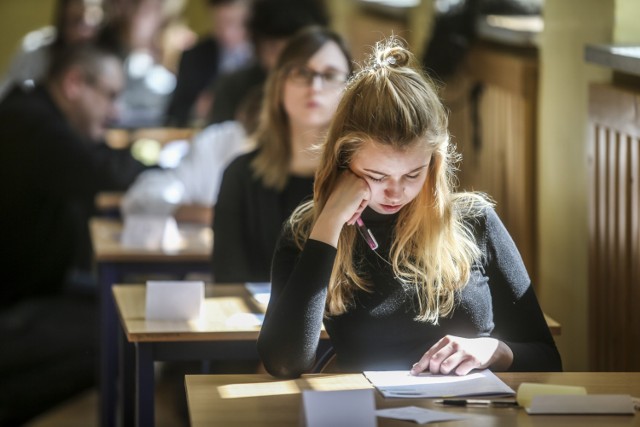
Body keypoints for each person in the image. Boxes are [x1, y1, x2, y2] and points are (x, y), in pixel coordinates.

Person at [257, 38, 562, 378]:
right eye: (376, 175)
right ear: (343, 161)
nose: (395, 192)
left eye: (413, 173)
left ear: (434, 162)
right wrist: (329, 220)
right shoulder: (307, 234)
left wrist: (494, 350)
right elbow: (284, 363)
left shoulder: (475, 222)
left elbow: (548, 359)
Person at [0, 43, 147, 425]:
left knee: (129, 311)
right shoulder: (29, 123)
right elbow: (106, 174)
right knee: (123, 336)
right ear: (74, 84)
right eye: (110, 96)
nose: (115, 111)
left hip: (34, 288)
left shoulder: (39, 115)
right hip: (15, 302)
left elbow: (105, 161)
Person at [212, 26, 352, 283]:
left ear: (349, 89)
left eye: (330, 75)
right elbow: (227, 279)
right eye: (301, 72)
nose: (315, 86)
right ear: (279, 83)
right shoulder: (240, 175)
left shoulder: (360, 178)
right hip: (253, 322)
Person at [206, 0, 329, 128]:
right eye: (273, 50)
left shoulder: (330, 87)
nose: (284, 61)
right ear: (257, 48)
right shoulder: (233, 89)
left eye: (294, 50)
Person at [165, 0, 254, 126]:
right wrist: (196, 110)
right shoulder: (193, 56)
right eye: (219, 24)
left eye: (233, 23)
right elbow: (176, 112)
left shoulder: (264, 56)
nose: (226, 32)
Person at [0, 0, 104, 100]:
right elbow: (7, 93)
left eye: (88, 24)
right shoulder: (35, 47)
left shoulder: (106, 62)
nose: (80, 32)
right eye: (75, 21)